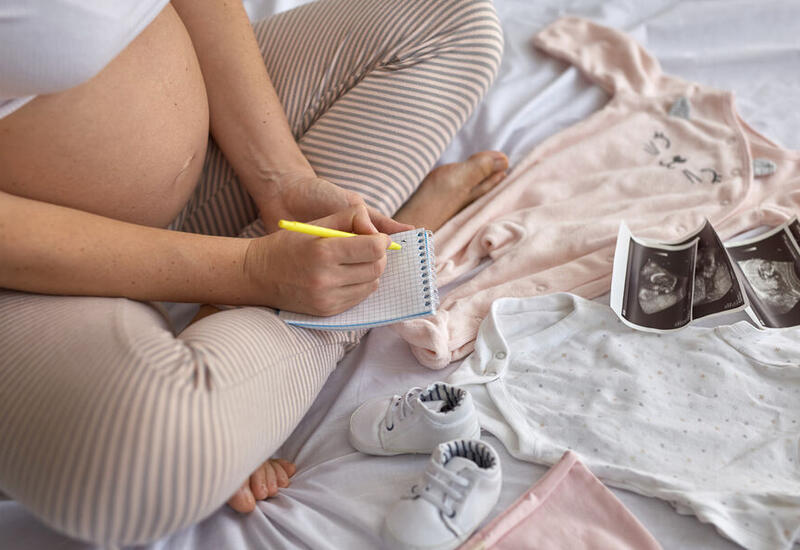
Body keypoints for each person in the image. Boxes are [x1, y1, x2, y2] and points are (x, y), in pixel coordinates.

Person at [0, 0, 505, 545]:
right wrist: (244, 271)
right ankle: (366, 287)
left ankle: (263, 343)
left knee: (449, 24)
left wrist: (281, 180)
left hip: (215, 161)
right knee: (141, 458)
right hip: (37, 279)